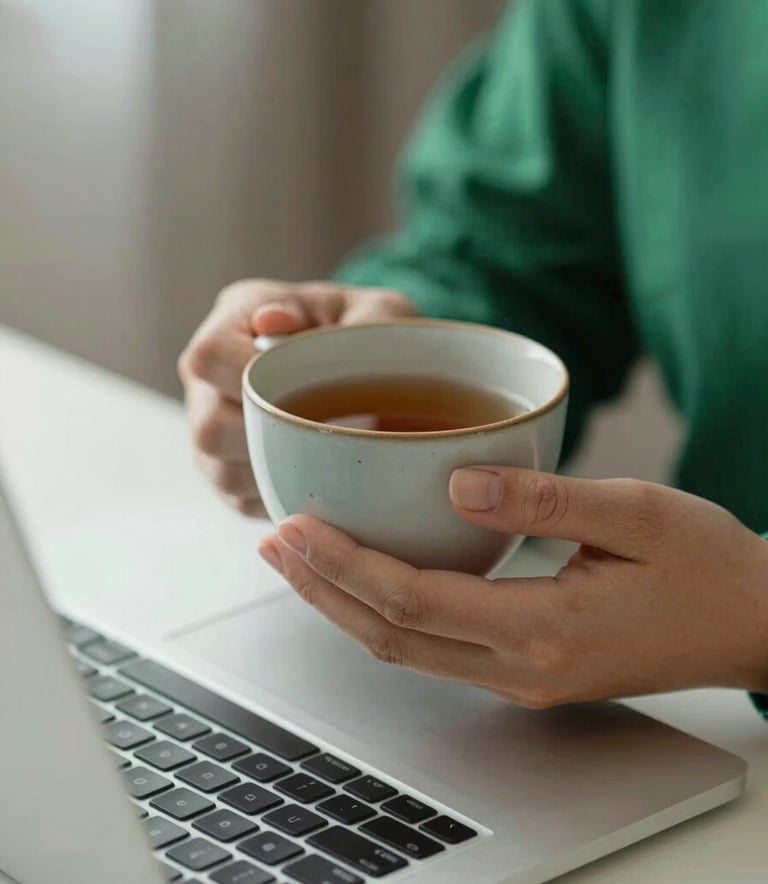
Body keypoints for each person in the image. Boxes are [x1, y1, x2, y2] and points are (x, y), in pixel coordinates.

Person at [178, 0, 768, 712]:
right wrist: (381, 331)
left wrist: (753, 614)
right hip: (691, 721)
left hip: (702, 704)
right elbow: (518, 252)